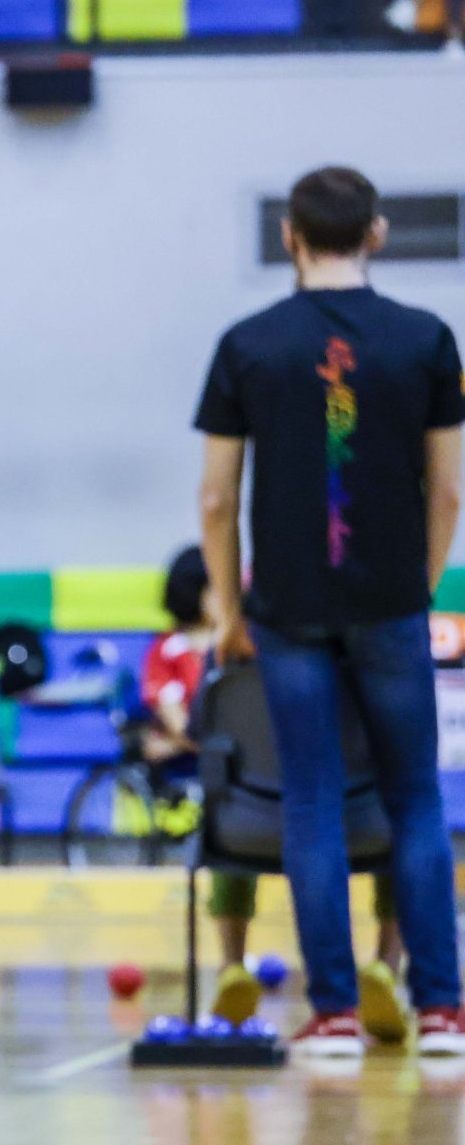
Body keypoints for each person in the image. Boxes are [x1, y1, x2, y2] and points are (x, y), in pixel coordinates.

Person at [196, 164, 465, 1057]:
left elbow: (216, 501)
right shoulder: (428, 338)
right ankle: (442, 1012)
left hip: (288, 609)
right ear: (377, 234)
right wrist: (418, 588)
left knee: (310, 802)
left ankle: (337, 1014)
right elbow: (450, 490)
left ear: (290, 236)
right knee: (417, 802)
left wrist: (230, 610)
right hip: (390, 602)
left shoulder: (247, 343)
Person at [142, 546, 405, 1031]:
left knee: (225, 812)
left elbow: (199, 732)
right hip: (354, 826)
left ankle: (231, 967)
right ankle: (386, 966)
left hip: (249, 828)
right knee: (405, 826)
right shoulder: (365, 662)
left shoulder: (224, 670)